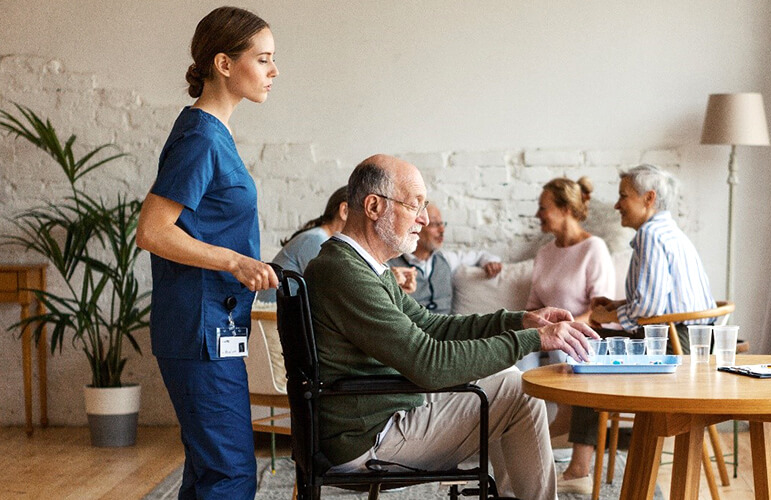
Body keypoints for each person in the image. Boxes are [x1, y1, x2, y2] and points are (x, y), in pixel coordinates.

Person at [304, 154, 599, 499]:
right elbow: (429, 363)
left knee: (510, 383)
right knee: (519, 390)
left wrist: (516, 320)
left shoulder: (361, 267)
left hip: (374, 419)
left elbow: (430, 325)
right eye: (415, 205)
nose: (424, 218)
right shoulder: (346, 273)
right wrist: (532, 339)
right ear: (373, 207)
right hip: (367, 440)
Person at [135, 7, 278, 499]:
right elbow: (152, 231)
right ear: (223, 62)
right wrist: (234, 261)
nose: (273, 72)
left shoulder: (215, 134)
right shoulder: (201, 136)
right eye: (262, 60)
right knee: (231, 473)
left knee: (209, 471)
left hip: (214, 329)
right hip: (199, 331)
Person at [526, 177, 616, 495]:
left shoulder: (594, 249)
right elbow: (533, 306)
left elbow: (601, 311)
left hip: (581, 336)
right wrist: (538, 327)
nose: (538, 214)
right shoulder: (545, 253)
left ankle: (576, 466)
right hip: (544, 335)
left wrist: (564, 328)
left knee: (571, 357)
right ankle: (521, 444)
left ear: (565, 209)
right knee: (512, 363)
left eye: (543, 207)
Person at [588, 164, 715, 340]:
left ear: (649, 198)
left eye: (623, 196)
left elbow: (649, 308)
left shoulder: (650, 235)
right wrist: (617, 306)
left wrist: (605, 317)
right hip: (697, 338)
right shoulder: (668, 231)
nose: (617, 205)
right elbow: (665, 301)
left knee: (585, 347)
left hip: (673, 341)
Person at [256, 186, 415, 302]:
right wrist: (388, 282)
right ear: (345, 211)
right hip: (275, 323)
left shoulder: (327, 243)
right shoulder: (317, 240)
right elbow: (346, 291)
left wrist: (392, 286)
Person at [388, 203, 501, 314]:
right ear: (415, 227)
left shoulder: (446, 259)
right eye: (434, 224)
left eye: (442, 224)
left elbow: (481, 256)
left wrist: (490, 262)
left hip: (446, 329)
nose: (442, 230)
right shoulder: (390, 264)